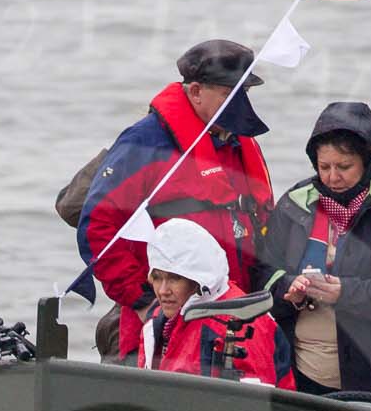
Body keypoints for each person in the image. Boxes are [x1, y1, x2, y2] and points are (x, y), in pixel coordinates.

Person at [78, 40, 275, 365]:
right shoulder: (145, 142)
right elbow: (98, 226)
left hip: (228, 323)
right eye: (230, 95)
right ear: (196, 92)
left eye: (244, 94)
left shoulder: (237, 142)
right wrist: (141, 299)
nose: (240, 107)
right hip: (161, 325)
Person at [254, 102, 371, 400]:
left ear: (366, 161)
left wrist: (344, 293)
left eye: (344, 167)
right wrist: (289, 289)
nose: (332, 177)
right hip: (300, 374)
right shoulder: (295, 203)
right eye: (324, 167)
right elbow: (263, 274)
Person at [136, 219, 287, 387]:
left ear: (197, 278)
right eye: (157, 278)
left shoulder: (241, 322)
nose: (163, 290)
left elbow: (255, 407)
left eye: (175, 278)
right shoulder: (159, 320)